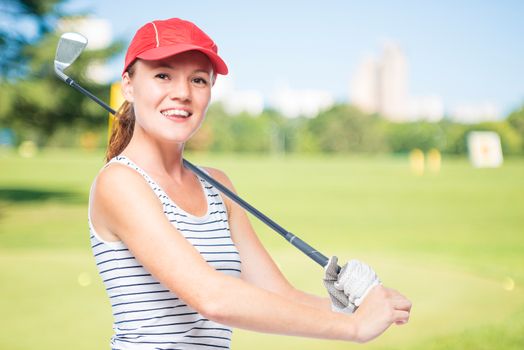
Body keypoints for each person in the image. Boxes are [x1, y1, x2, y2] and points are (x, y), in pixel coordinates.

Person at [88, 17, 411, 350]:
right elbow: (212, 297)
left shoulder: (217, 185)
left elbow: (279, 295)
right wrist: (354, 328)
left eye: (198, 80)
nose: (182, 93)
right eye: (163, 75)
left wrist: (354, 309)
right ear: (128, 84)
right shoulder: (120, 182)